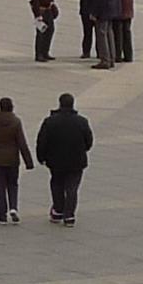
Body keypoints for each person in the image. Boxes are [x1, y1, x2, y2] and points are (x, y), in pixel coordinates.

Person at [36, 91, 93, 225]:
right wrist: (82, 150)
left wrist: (41, 157)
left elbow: (42, 141)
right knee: (72, 188)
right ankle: (70, 216)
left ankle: (58, 210)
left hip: (56, 161)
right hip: (76, 161)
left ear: (60, 104)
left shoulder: (50, 121)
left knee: (56, 184)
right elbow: (89, 141)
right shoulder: (82, 121)